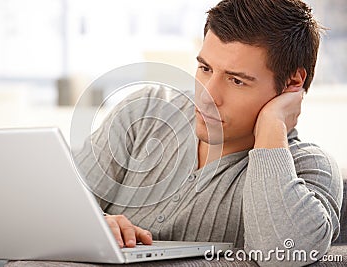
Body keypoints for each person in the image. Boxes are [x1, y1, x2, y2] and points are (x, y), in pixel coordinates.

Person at [74, 0, 343, 266]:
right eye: (205, 68)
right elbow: (56, 207)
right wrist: (93, 223)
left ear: (292, 83)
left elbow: (280, 254)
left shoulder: (310, 167)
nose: (206, 97)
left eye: (236, 80)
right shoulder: (145, 112)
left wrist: (272, 125)